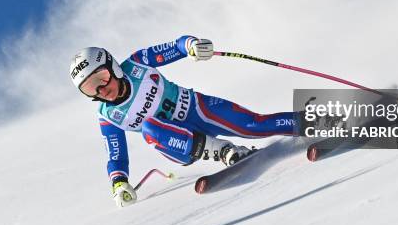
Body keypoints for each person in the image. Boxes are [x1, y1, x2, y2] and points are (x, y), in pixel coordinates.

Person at [69, 36, 297, 207]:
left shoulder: (139, 64)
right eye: (90, 88)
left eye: (102, 78)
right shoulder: (108, 116)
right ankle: (226, 152)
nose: (102, 90)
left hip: (199, 108)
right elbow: (116, 155)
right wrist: (119, 184)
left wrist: (191, 46)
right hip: (178, 145)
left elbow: (176, 46)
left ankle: (322, 121)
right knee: (149, 127)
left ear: (114, 67)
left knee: (256, 125)